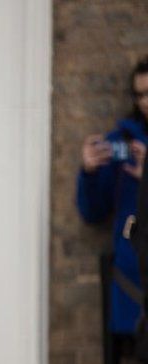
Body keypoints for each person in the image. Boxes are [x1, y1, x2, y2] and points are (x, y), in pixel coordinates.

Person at [77, 55, 148, 339]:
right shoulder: (122, 143)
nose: (145, 101)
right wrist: (90, 173)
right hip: (134, 274)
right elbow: (93, 212)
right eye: (140, 94)